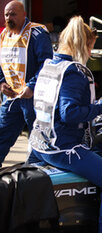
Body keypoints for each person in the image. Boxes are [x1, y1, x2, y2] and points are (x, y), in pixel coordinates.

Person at [27, 16, 102, 233]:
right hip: (63, 148)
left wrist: (96, 104)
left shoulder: (49, 65)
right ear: (83, 44)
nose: (91, 52)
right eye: (91, 46)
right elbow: (69, 113)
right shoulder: (75, 72)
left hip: (37, 143)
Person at [0, 0, 53, 167]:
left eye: (13, 14)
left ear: (24, 14)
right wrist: (1, 83)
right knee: (2, 135)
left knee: (39, 139)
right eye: (6, 14)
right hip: (11, 98)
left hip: (33, 97)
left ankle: (39, 176)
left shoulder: (37, 32)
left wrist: (32, 85)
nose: (9, 18)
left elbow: (46, 63)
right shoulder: (4, 35)